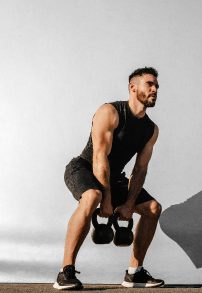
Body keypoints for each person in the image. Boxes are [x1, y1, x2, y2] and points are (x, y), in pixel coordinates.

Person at [53, 67, 164, 290]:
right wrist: (107, 199)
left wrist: (130, 204)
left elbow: (140, 170)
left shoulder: (151, 130)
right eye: (149, 84)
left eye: (157, 86)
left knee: (153, 209)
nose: (154, 89)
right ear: (133, 87)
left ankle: (135, 273)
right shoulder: (110, 112)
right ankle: (65, 272)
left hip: (114, 177)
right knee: (92, 195)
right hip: (83, 168)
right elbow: (99, 157)